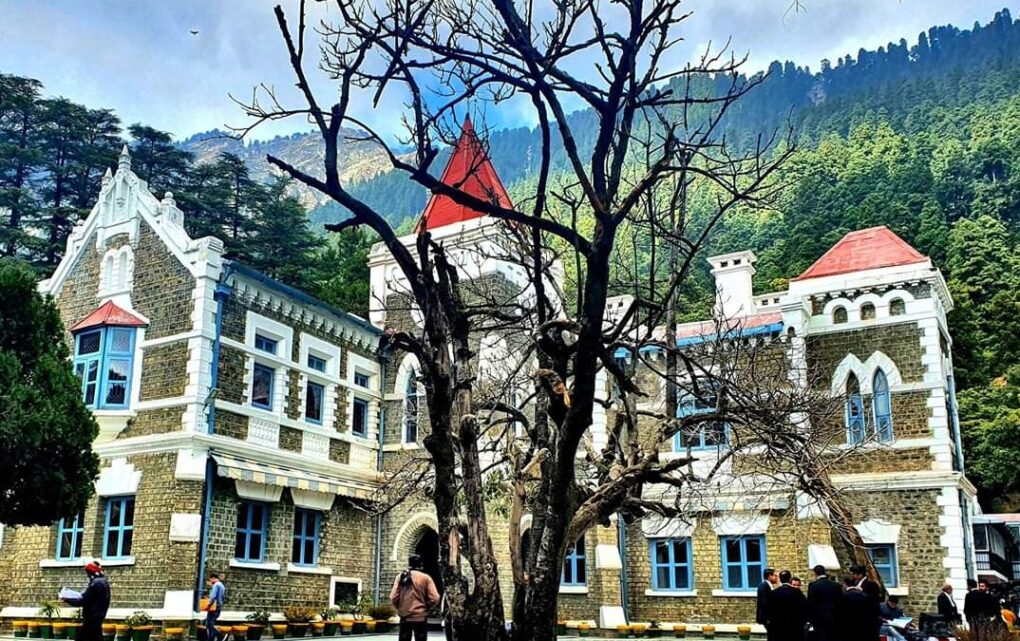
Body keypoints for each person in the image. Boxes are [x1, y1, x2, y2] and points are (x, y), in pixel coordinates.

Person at [390, 554, 440, 641]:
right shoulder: (425, 578)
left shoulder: (400, 577)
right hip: (420, 616)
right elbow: (435, 598)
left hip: (405, 616)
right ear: (420, 565)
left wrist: (400, 607)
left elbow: (393, 597)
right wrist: (426, 607)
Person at [61, 562, 110, 641]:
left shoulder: (95, 584)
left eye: (88, 573)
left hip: (91, 618)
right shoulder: (104, 582)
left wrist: (67, 599)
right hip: (99, 617)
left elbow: (83, 600)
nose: (87, 576)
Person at [766, 570, 807, 641]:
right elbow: (804, 609)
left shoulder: (773, 593)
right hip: (794, 628)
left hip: (779, 628)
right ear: (789, 579)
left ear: (780, 579)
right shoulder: (797, 592)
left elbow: (770, 611)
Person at [839, 577, 881, 641]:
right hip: (865, 630)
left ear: (845, 584)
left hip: (849, 630)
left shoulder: (843, 596)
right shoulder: (866, 597)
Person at [807, 565, 843, 641]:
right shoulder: (836, 585)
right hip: (835, 618)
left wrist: (811, 620)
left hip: (820, 619)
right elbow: (841, 602)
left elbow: (811, 604)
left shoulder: (813, 585)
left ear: (815, 573)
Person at [204, 574, 226, 641]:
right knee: (211, 624)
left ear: (213, 578)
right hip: (218, 607)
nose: (210, 581)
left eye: (210, 580)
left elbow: (213, 596)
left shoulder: (216, 585)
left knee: (209, 624)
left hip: (213, 607)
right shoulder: (222, 585)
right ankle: (211, 638)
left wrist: (208, 604)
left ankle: (220, 635)